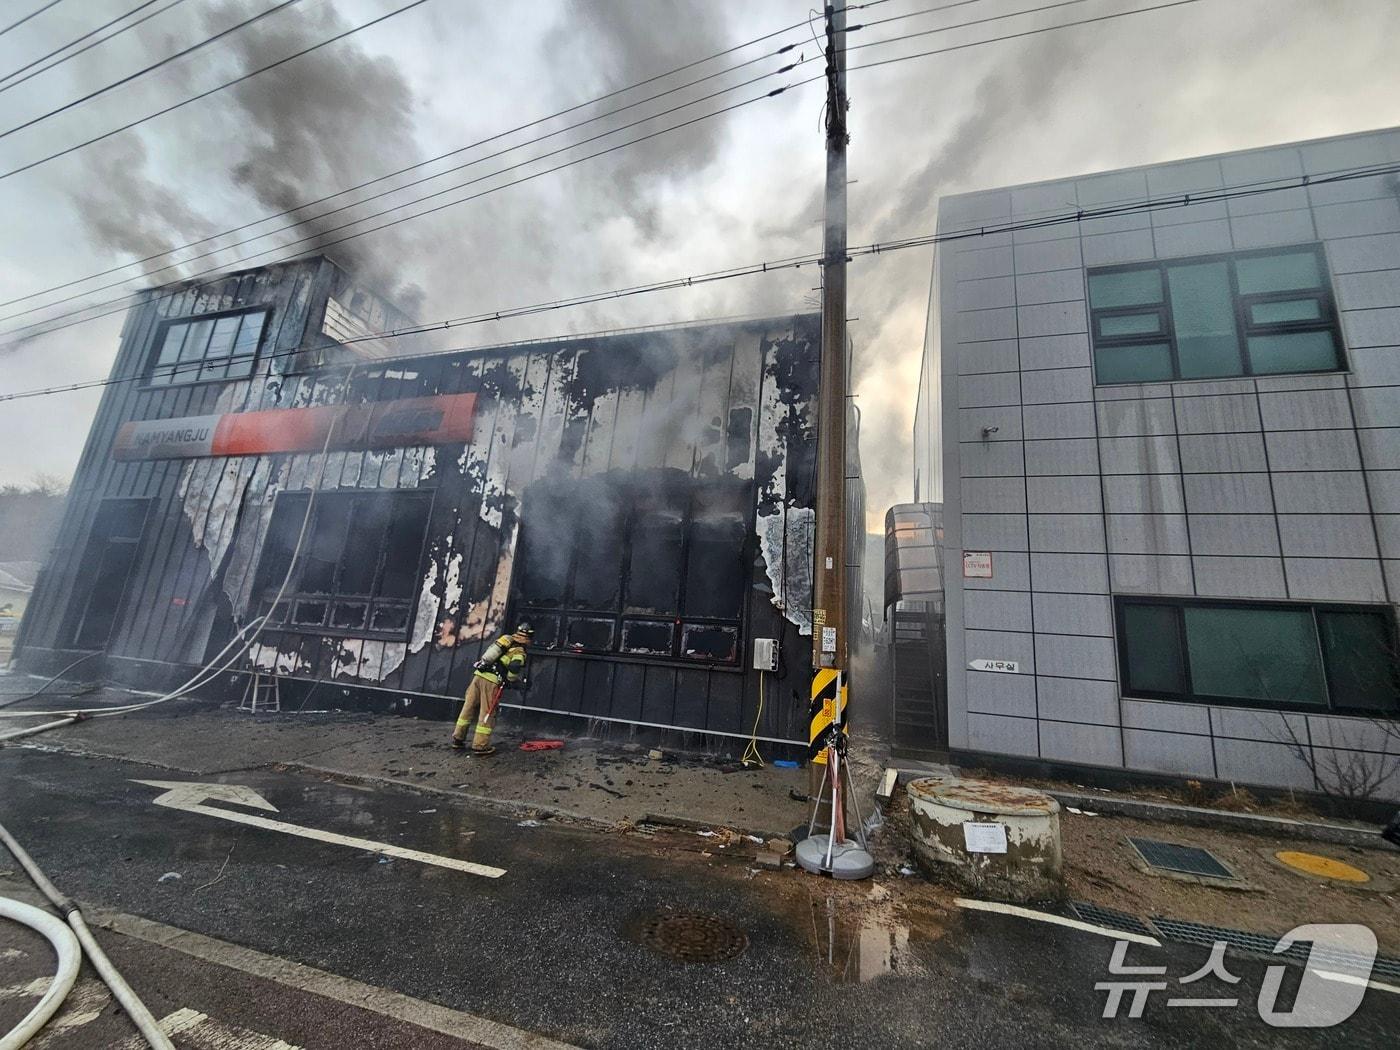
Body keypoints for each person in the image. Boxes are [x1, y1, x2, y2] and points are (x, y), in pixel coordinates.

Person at [450, 623, 533, 755]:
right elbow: (514, 667)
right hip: (491, 681)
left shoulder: (506, 640)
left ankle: (457, 739)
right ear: (529, 638)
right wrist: (514, 681)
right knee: (487, 713)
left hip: (478, 676)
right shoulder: (519, 650)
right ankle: (480, 745)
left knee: (468, 708)